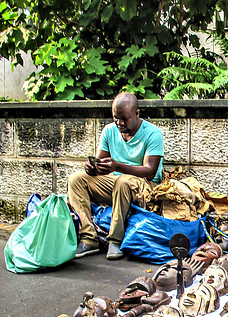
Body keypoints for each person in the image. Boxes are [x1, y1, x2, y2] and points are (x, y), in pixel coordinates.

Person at [68, 92, 164, 260]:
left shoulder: (153, 134)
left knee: (122, 181)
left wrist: (118, 166)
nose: (119, 123)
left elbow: (150, 171)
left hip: (146, 187)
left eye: (124, 118)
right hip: (118, 183)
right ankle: (89, 238)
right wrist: (92, 168)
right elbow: (101, 163)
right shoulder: (109, 131)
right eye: (115, 118)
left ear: (137, 114)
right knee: (76, 179)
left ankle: (115, 241)